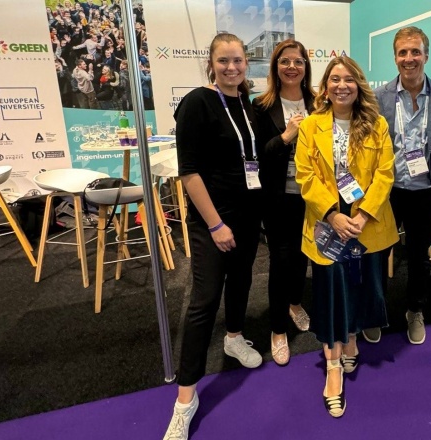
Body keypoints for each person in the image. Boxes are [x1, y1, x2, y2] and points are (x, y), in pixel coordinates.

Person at [163, 33, 263, 440]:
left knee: (241, 282)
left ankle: (235, 338)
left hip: (248, 216)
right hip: (212, 222)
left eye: (237, 60)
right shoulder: (197, 103)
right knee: (203, 302)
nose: (231, 67)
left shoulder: (247, 104)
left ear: (246, 63)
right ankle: (185, 399)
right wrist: (216, 225)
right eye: (223, 61)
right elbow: (189, 172)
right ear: (211, 63)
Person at [295, 56, 398, 417]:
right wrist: (334, 215)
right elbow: (305, 176)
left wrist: (363, 214)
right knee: (330, 295)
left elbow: (385, 173)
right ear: (325, 87)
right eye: (335, 79)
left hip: (367, 224)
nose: (342, 86)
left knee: (359, 287)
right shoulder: (310, 126)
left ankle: (352, 339)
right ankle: (333, 366)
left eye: (349, 79)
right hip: (327, 226)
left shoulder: (376, 124)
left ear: (359, 86)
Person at [368, 26, 431, 345]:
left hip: (425, 192)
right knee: (378, 253)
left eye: (415, 51)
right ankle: (374, 311)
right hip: (387, 192)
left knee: (420, 255)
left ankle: (415, 310)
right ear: (395, 57)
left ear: (426, 55)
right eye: (403, 52)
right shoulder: (378, 98)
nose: (409, 58)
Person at [252, 39, 315, 366]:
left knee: (303, 256)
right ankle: (277, 329)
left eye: (298, 61)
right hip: (278, 199)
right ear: (275, 67)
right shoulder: (261, 105)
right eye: (285, 61)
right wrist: (287, 136)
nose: (292, 67)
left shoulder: (319, 102)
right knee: (280, 261)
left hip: (312, 198)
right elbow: (259, 155)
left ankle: (295, 302)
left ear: (306, 67)